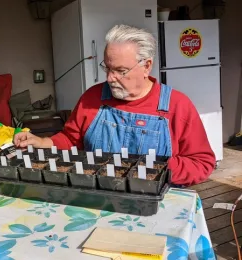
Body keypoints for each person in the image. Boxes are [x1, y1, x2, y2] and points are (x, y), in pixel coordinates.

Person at [14, 24, 216, 186]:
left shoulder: (176, 105)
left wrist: (154, 170)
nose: (110, 78)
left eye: (121, 71)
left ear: (146, 66)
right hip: (98, 194)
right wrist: (41, 143)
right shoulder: (92, 98)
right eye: (107, 68)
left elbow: (201, 163)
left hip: (155, 202)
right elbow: (71, 140)